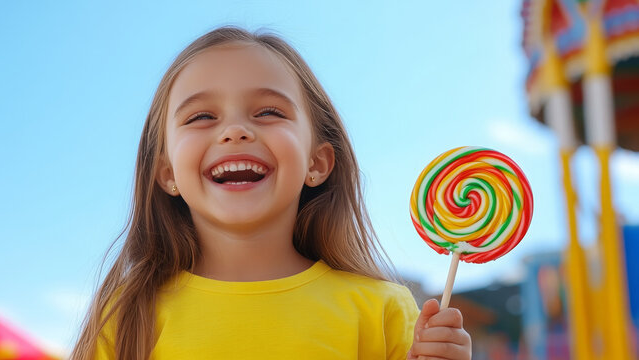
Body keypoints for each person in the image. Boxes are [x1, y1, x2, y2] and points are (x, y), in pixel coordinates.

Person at [70, 26, 471, 360]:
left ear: (317, 163)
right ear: (167, 172)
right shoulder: (126, 316)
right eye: (202, 116)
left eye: (269, 112)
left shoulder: (382, 311)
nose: (235, 131)